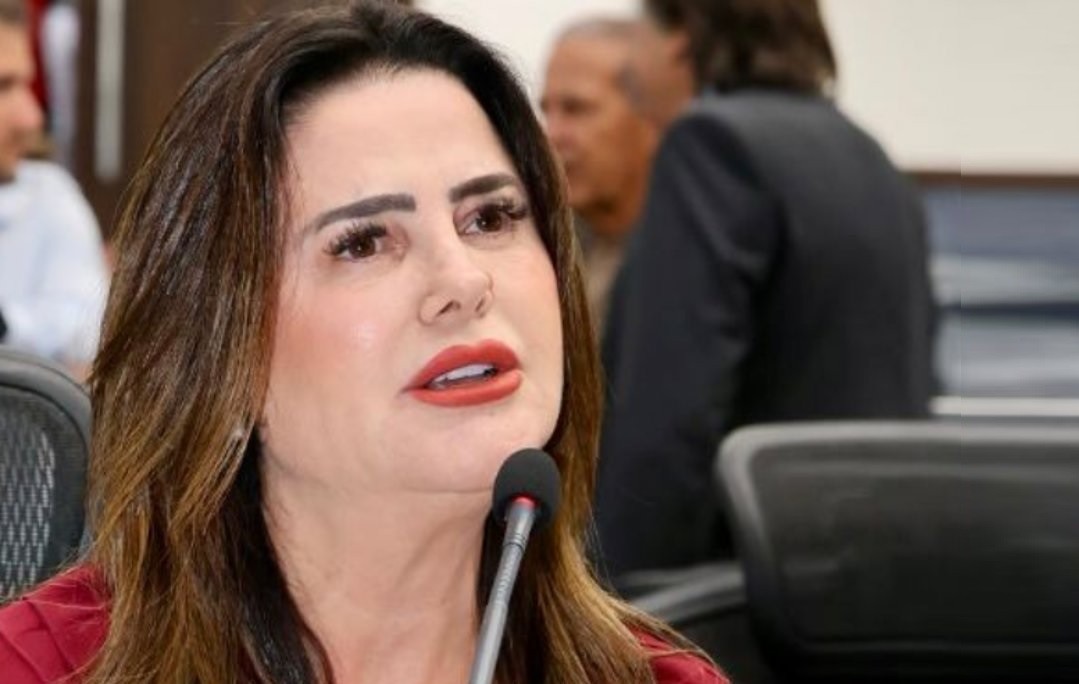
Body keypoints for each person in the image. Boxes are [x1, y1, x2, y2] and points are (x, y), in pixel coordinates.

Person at [0, 3, 726, 683]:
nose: (463, 280)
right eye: (363, 242)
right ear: (219, 346)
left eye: (491, 218)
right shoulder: (41, 666)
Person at [596, 0, 936, 579]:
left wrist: (615, 594)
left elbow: (670, 415)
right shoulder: (867, 153)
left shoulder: (710, 144)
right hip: (864, 571)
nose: (631, 64)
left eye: (640, 33)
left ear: (680, 38)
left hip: (738, 583)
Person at [0, 0, 106, 376]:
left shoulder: (49, 198)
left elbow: (86, 330)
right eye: (3, 87)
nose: (32, 118)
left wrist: (6, 324)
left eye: (26, 85)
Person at [540, 18, 659, 335]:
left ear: (649, 118)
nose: (552, 134)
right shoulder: (544, 253)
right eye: (547, 111)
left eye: (575, 109)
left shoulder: (695, 260)